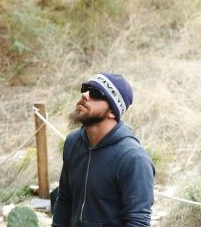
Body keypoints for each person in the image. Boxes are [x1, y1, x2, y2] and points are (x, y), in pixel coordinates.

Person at [52, 73, 155, 227]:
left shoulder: (133, 158)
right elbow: (65, 199)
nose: (85, 95)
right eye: (85, 89)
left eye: (96, 93)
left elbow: (138, 221)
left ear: (113, 111)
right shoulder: (73, 142)